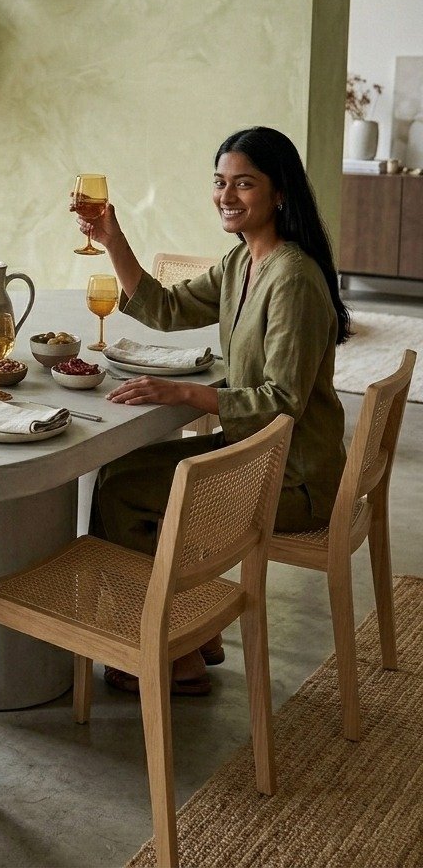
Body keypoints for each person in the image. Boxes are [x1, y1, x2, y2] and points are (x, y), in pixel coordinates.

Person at [76, 126, 349, 695]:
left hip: (292, 478)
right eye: (220, 182)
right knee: (119, 473)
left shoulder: (293, 280)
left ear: (279, 193)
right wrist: (112, 239)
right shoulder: (242, 260)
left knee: (121, 492)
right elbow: (165, 308)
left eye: (244, 183)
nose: (226, 195)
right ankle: (190, 634)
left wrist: (183, 394)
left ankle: (171, 654)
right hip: (253, 455)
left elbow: (281, 403)